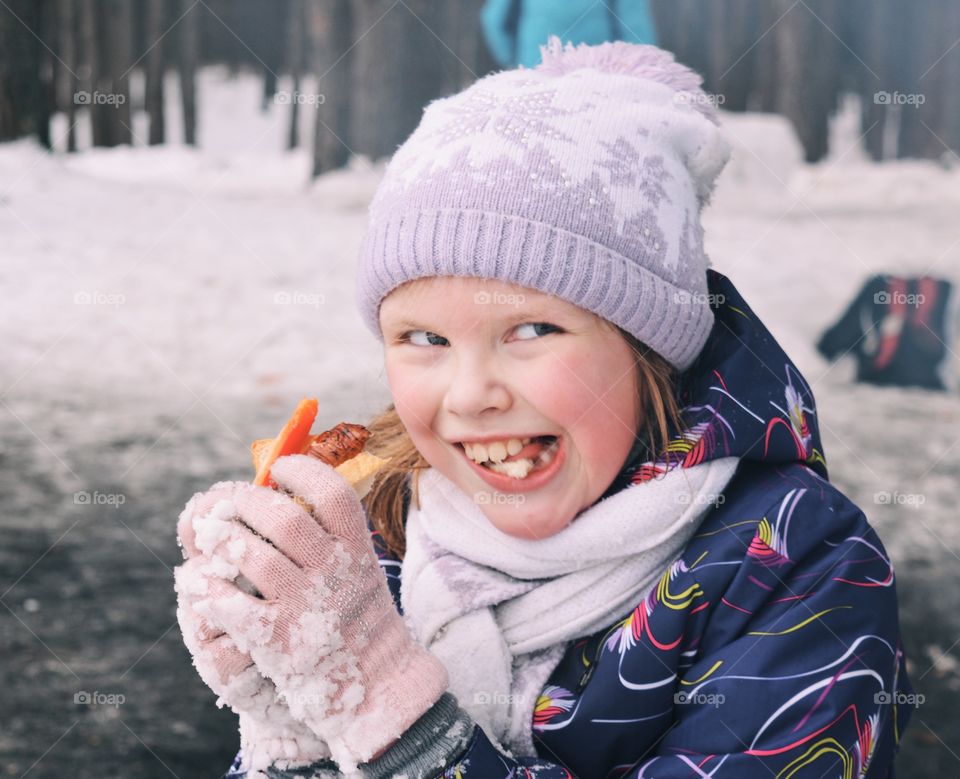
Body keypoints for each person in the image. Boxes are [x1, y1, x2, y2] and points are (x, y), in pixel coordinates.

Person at [175, 38, 913, 778]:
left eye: (531, 330)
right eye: (425, 338)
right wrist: (292, 736)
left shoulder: (802, 566)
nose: (470, 395)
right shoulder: (376, 538)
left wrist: (397, 720)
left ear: (650, 346)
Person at [817, 273, 958, 391]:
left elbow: (830, 344)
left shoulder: (879, 285)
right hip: (930, 386)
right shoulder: (945, 288)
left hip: (878, 382)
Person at [481, 0, 658, 68]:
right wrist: (646, 71)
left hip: (535, 68)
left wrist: (513, 59)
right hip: (598, 73)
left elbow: (493, 20)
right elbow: (636, 30)